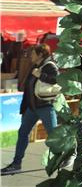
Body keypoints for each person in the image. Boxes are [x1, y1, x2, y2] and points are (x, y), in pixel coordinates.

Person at [2, 45, 60, 175]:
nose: (30, 56)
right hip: (32, 108)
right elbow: (29, 90)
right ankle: (16, 164)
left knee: (54, 136)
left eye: (33, 53)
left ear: (40, 54)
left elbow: (57, 80)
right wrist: (24, 107)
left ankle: (62, 158)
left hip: (46, 107)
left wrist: (41, 75)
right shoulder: (34, 66)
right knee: (23, 133)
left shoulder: (50, 66)